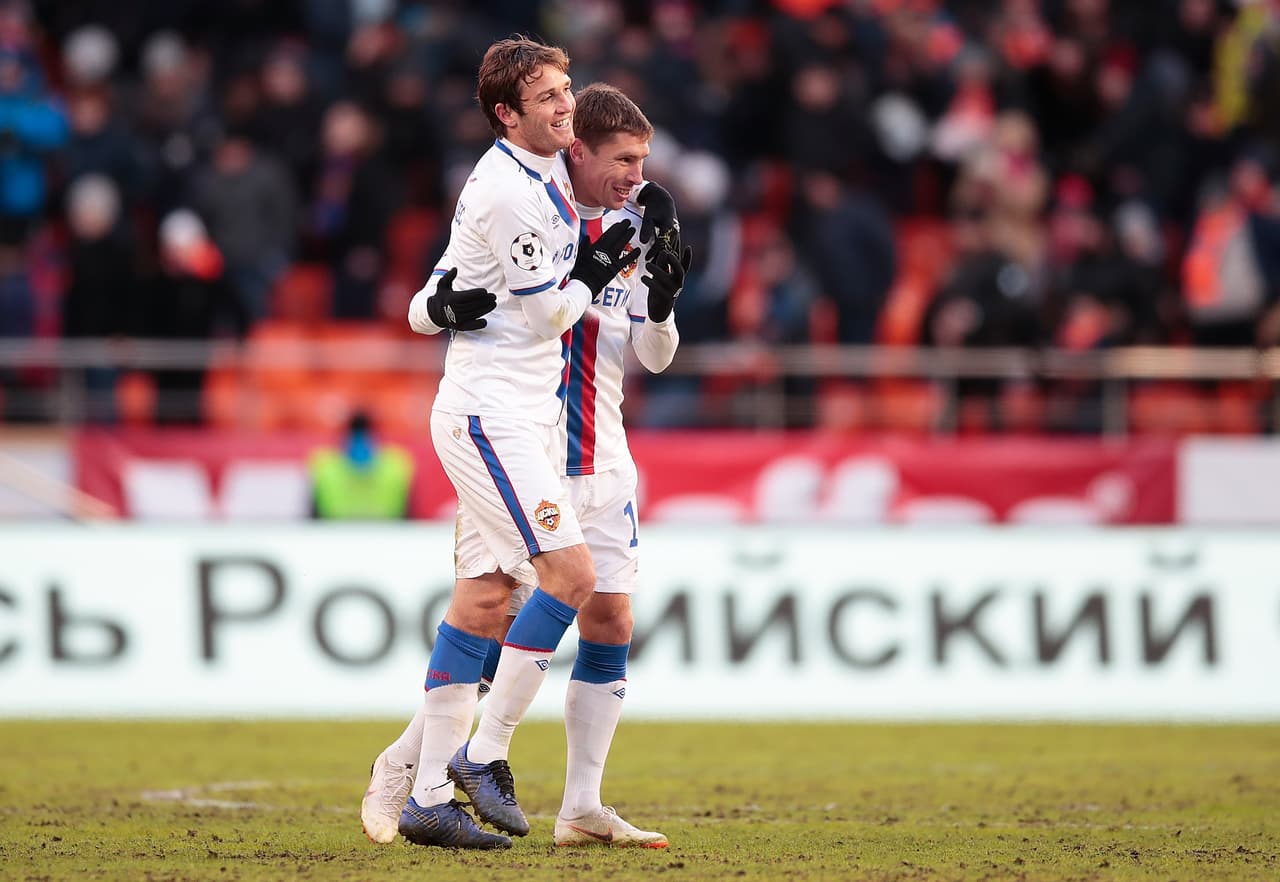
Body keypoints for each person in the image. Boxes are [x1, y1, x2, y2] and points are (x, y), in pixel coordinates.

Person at [360, 37, 654, 851]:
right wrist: (597, 270)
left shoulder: (552, 177)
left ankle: (415, 780)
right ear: (507, 114)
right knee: (567, 580)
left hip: (533, 422)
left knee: (491, 602)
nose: (567, 106)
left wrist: (435, 311)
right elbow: (546, 315)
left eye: (567, 92)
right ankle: (478, 756)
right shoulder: (509, 192)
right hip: (493, 417)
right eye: (552, 97)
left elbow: (432, 294)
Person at [308, 411, 414, 519]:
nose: (360, 444)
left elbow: (408, 517)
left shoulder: (395, 467)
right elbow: (315, 519)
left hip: (386, 534)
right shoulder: (325, 468)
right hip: (337, 534)